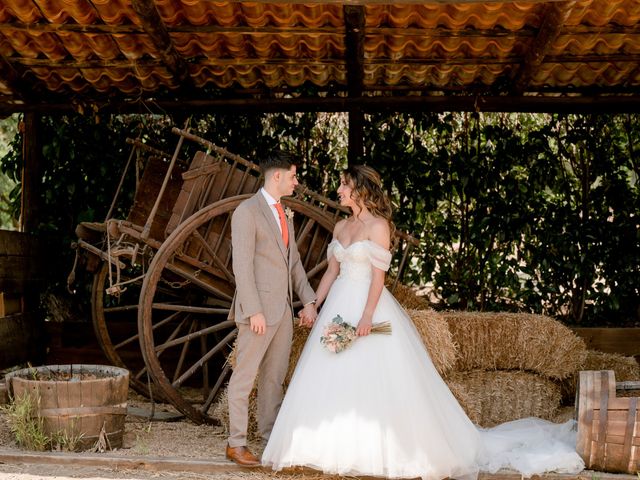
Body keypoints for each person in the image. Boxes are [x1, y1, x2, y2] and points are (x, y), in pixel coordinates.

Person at [262, 165, 584, 479]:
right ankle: (319, 446)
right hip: (338, 306)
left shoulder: (378, 226)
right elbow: (332, 272)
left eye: (344, 185)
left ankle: (377, 449)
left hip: (366, 306)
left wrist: (366, 317)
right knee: (329, 372)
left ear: (359, 190)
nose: (339, 190)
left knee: (374, 377)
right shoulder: (341, 227)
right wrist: (314, 304)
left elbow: (378, 278)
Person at [226, 151, 318, 466]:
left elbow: (294, 264)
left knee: (273, 380)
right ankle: (235, 443)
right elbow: (241, 266)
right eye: (293, 176)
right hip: (259, 313)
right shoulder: (246, 212)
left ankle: (270, 441)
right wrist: (254, 310)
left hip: (282, 312)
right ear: (276, 176)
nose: (297, 181)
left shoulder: (283, 212)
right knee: (244, 377)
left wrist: (308, 299)